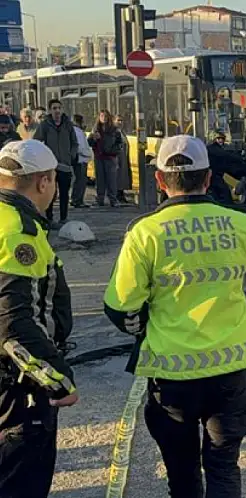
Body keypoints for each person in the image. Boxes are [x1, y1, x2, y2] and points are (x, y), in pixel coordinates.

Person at [103, 135, 246, 498]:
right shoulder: (241, 224)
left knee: (182, 471)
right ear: (209, 178)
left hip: (171, 377)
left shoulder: (145, 233)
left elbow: (120, 307)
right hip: (229, 372)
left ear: (160, 181)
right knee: (223, 467)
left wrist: (141, 326)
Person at [0, 140, 78, 498]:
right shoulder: (20, 232)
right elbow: (14, 323)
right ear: (44, 182)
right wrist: (57, 379)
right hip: (17, 386)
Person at [33, 99, 77, 227]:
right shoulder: (45, 125)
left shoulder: (68, 124)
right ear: (50, 110)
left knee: (64, 194)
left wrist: (71, 155)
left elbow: (74, 142)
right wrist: (43, 156)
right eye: (54, 108)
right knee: (50, 193)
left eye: (59, 108)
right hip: (50, 165)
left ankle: (64, 218)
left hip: (65, 164)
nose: (57, 111)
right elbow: (37, 141)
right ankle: (49, 218)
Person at [88, 110, 123, 208]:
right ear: (99, 117)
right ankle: (100, 199)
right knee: (100, 179)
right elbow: (89, 142)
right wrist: (93, 138)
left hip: (110, 157)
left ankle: (113, 199)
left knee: (111, 179)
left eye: (106, 116)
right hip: (99, 157)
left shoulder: (114, 130)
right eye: (102, 116)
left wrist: (113, 151)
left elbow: (120, 143)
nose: (104, 118)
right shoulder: (95, 129)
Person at [71, 115, 93, 209]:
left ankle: (77, 199)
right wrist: (88, 154)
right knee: (80, 180)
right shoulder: (77, 131)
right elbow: (79, 147)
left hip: (81, 159)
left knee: (80, 180)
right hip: (80, 159)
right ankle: (77, 200)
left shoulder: (77, 131)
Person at [114, 115, 131, 204]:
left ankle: (121, 195)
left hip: (124, 158)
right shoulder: (114, 132)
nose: (120, 123)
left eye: (122, 121)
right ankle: (117, 195)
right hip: (118, 158)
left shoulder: (122, 132)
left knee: (123, 178)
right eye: (118, 121)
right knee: (118, 178)